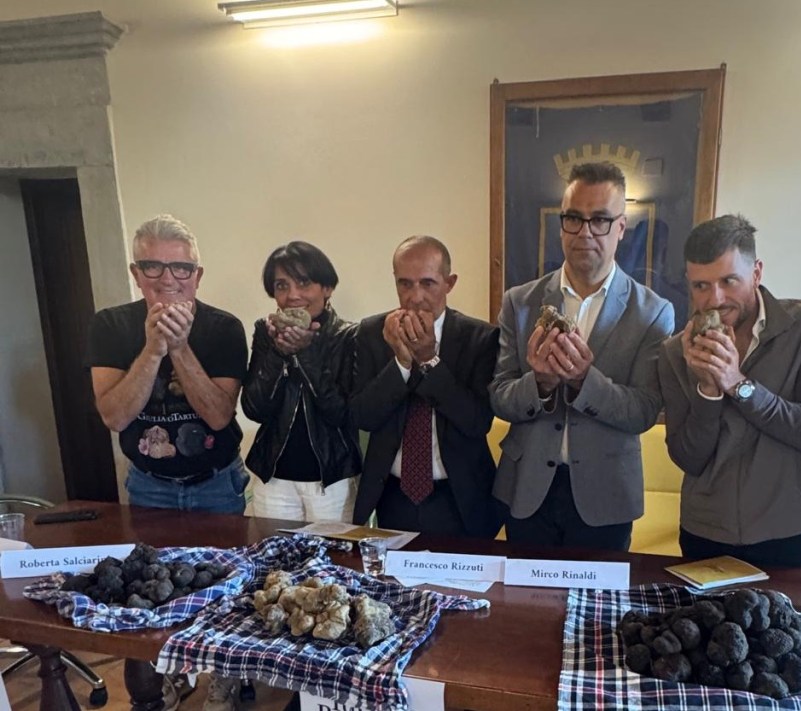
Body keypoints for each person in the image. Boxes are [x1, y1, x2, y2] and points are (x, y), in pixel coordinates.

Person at [87, 214, 248, 710]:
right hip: (148, 484)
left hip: (216, 481)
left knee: (225, 589)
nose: (167, 279)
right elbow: (114, 415)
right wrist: (154, 348)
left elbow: (219, 415)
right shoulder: (111, 325)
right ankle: (169, 673)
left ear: (198, 276)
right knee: (153, 590)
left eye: (181, 269)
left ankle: (223, 676)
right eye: (153, 266)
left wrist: (179, 347)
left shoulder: (224, 328)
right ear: (136, 273)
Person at [490, 162, 674, 551]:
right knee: (522, 592)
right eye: (574, 218)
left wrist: (582, 381)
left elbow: (643, 411)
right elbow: (499, 397)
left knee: (600, 593)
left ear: (621, 228)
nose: (585, 232)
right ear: (562, 225)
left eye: (600, 220)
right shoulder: (519, 302)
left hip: (606, 496)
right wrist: (539, 383)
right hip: (527, 491)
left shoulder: (653, 312)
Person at [658, 214, 801, 567]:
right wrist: (709, 390)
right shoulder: (674, 351)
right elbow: (688, 458)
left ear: (756, 273)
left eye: (729, 281)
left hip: (786, 532)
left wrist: (737, 384)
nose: (715, 299)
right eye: (700, 286)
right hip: (704, 532)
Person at [350, 236, 503, 538]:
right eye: (405, 284)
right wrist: (401, 364)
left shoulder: (479, 338)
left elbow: (476, 422)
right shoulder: (372, 332)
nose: (415, 296)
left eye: (427, 283)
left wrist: (429, 360)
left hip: (459, 496)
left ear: (449, 283)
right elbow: (363, 416)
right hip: (393, 494)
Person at [241, 241, 361, 523]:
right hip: (273, 479)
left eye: (304, 283)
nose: (292, 295)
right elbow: (254, 408)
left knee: (332, 552)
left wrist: (305, 354)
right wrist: (278, 354)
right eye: (282, 285)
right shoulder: (266, 332)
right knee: (272, 551)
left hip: (331, 482)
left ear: (327, 288)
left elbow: (341, 414)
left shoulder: (348, 336)